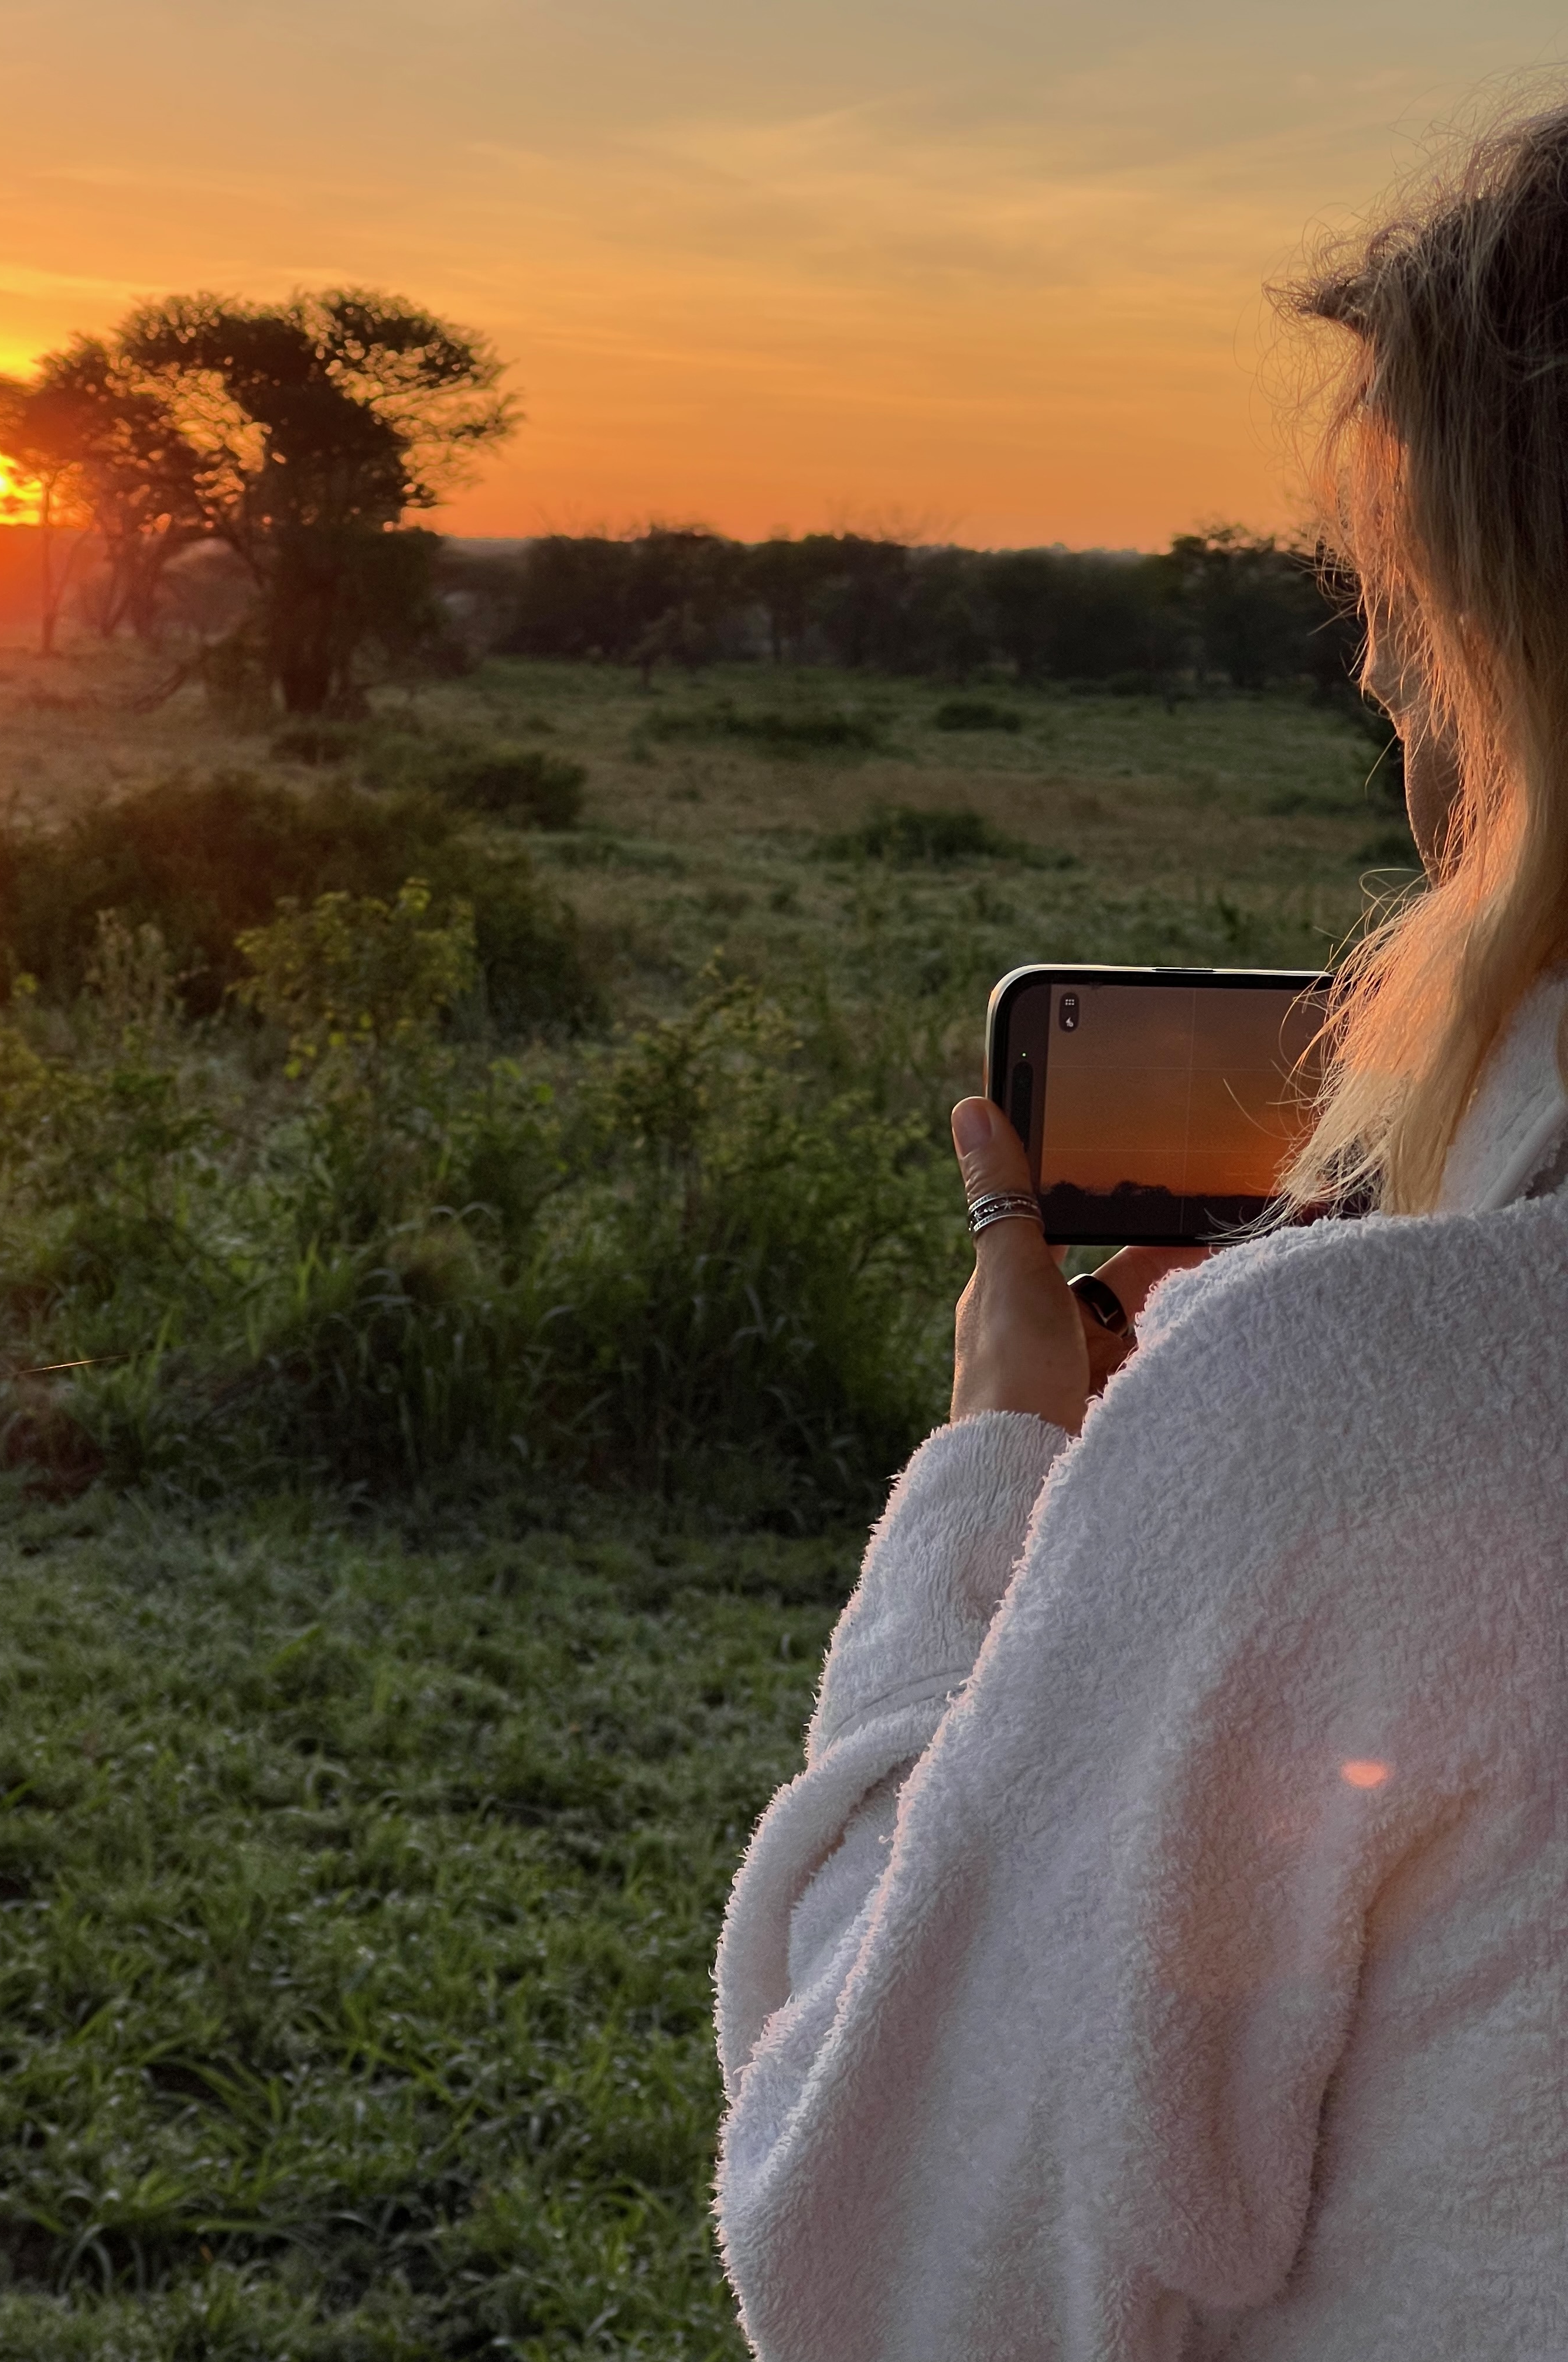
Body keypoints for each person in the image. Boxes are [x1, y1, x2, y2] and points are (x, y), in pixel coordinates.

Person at [713, 101, 1568, 2362]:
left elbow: (896, 2275)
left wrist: (1006, 1478)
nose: (1387, 690)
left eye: (1412, 615)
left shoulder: (1362, 1411)